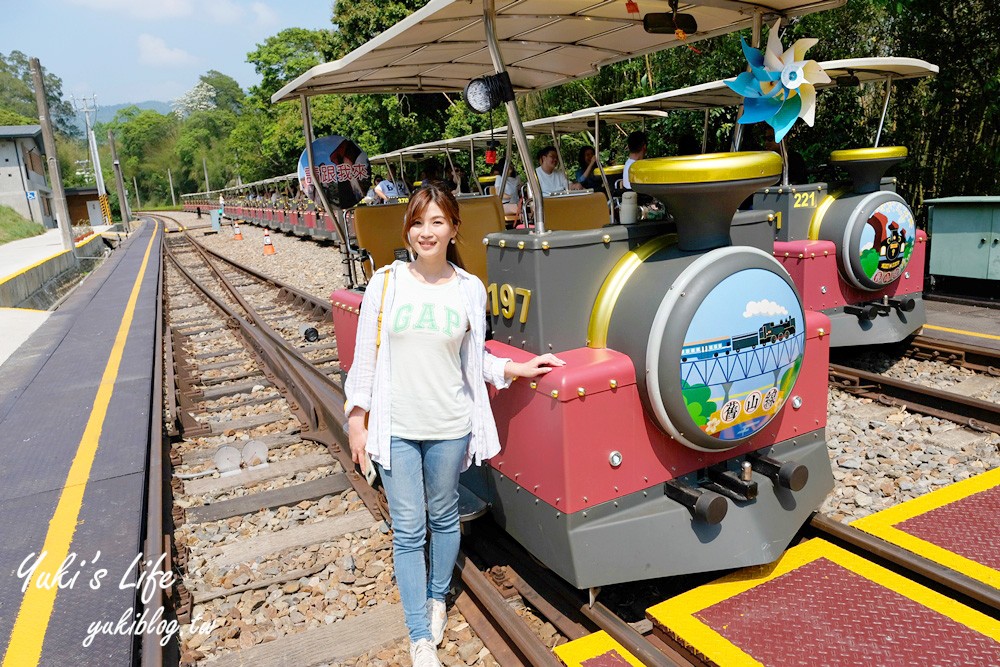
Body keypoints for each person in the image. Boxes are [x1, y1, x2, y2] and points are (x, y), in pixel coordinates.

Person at [344, 182, 564, 667]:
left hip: (449, 423)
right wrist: (357, 420)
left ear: (453, 229)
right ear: (408, 228)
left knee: (443, 517)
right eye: (418, 222)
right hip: (397, 425)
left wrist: (513, 369)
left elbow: (474, 358)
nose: (426, 232)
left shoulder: (468, 288)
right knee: (407, 528)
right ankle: (420, 636)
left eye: (437, 222)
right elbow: (364, 360)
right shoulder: (386, 282)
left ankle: (438, 596)